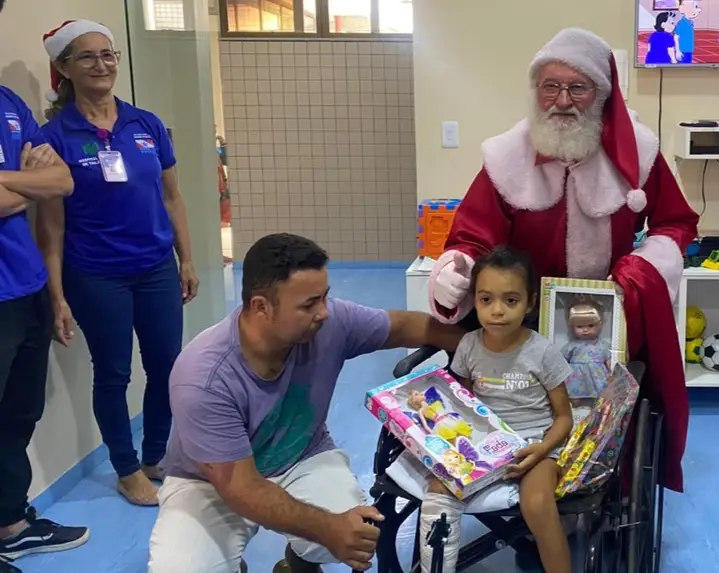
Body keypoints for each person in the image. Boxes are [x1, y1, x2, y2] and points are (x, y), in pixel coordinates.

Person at [428, 28, 699, 494]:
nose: (562, 100)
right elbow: (474, 233)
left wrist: (645, 267)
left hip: (610, 313)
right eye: (550, 87)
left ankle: (600, 480)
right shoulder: (505, 156)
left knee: (607, 403)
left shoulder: (641, 151)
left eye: (578, 87)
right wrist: (456, 267)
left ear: (601, 95)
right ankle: (520, 472)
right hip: (523, 317)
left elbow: (675, 223)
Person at [147, 233, 465, 573]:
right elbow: (243, 489)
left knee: (359, 532)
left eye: (325, 298)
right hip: (210, 483)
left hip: (301, 457)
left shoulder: (330, 324)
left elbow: (401, 327)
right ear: (260, 307)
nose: (323, 313)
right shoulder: (203, 377)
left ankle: (299, 562)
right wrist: (329, 529)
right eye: (308, 304)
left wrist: (488, 346)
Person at [35, 20, 198, 506]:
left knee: (168, 366)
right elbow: (51, 226)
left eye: (109, 55)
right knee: (113, 372)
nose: (102, 65)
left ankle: (154, 455)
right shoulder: (53, 138)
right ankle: (127, 469)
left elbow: (173, 198)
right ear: (63, 68)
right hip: (96, 273)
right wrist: (57, 293)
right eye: (87, 56)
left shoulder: (145, 124)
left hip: (155, 267)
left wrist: (185, 257)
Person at [418, 246, 574, 573]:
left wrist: (543, 448)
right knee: (437, 492)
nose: (497, 311)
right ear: (474, 300)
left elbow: (564, 417)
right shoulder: (469, 346)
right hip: (480, 445)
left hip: (533, 445)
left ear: (530, 303)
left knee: (538, 504)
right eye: (486, 299)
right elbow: (460, 402)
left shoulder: (542, 351)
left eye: (511, 300)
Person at [0, 7, 90, 572]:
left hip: (25, 285)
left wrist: (16, 184)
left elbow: (61, 180)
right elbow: (42, 184)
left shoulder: (8, 104)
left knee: (18, 413)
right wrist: (28, 183)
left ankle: (10, 521)